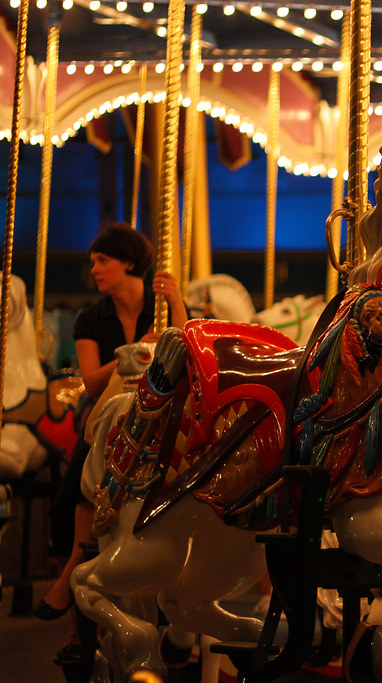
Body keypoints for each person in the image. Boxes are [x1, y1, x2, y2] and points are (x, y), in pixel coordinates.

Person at [36, 223, 187, 664]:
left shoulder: (160, 309)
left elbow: (186, 346)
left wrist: (176, 300)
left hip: (157, 415)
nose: (95, 270)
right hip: (108, 414)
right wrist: (132, 352)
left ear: (129, 263)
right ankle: (74, 623)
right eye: (93, 262)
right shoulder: (90, 318)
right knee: (66, 501)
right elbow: (86, 380)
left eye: (102, 261)